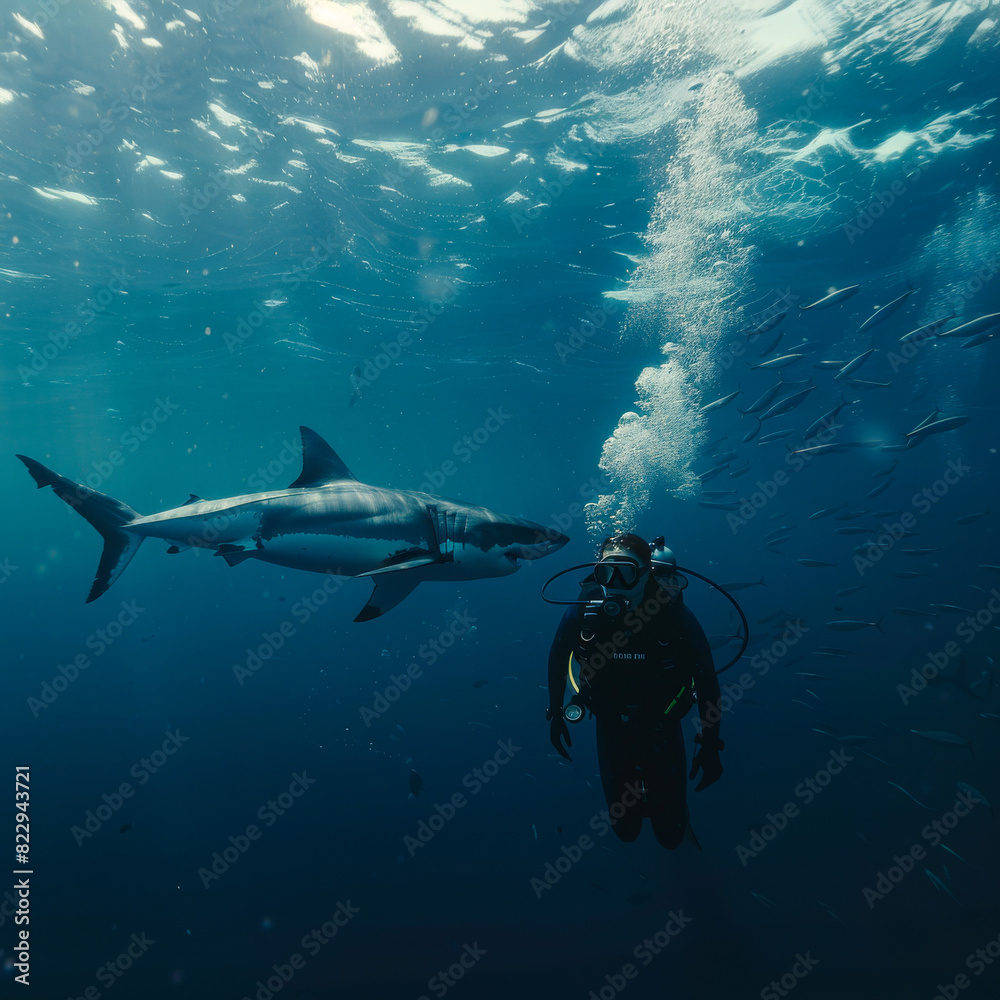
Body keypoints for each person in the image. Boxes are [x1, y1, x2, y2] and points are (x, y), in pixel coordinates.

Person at [545, 533, 724, 849]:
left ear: (646, 573)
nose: (613, 584)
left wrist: (710, 743)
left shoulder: (672, 614)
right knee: (626, 831)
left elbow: (707, 681)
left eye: (625, 573)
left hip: (663, 726)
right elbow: (558, 658)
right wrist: (556, 713)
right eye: (605, 572)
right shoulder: (584, 612)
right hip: (612, 726)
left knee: (670, 836)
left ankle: (669, 808)